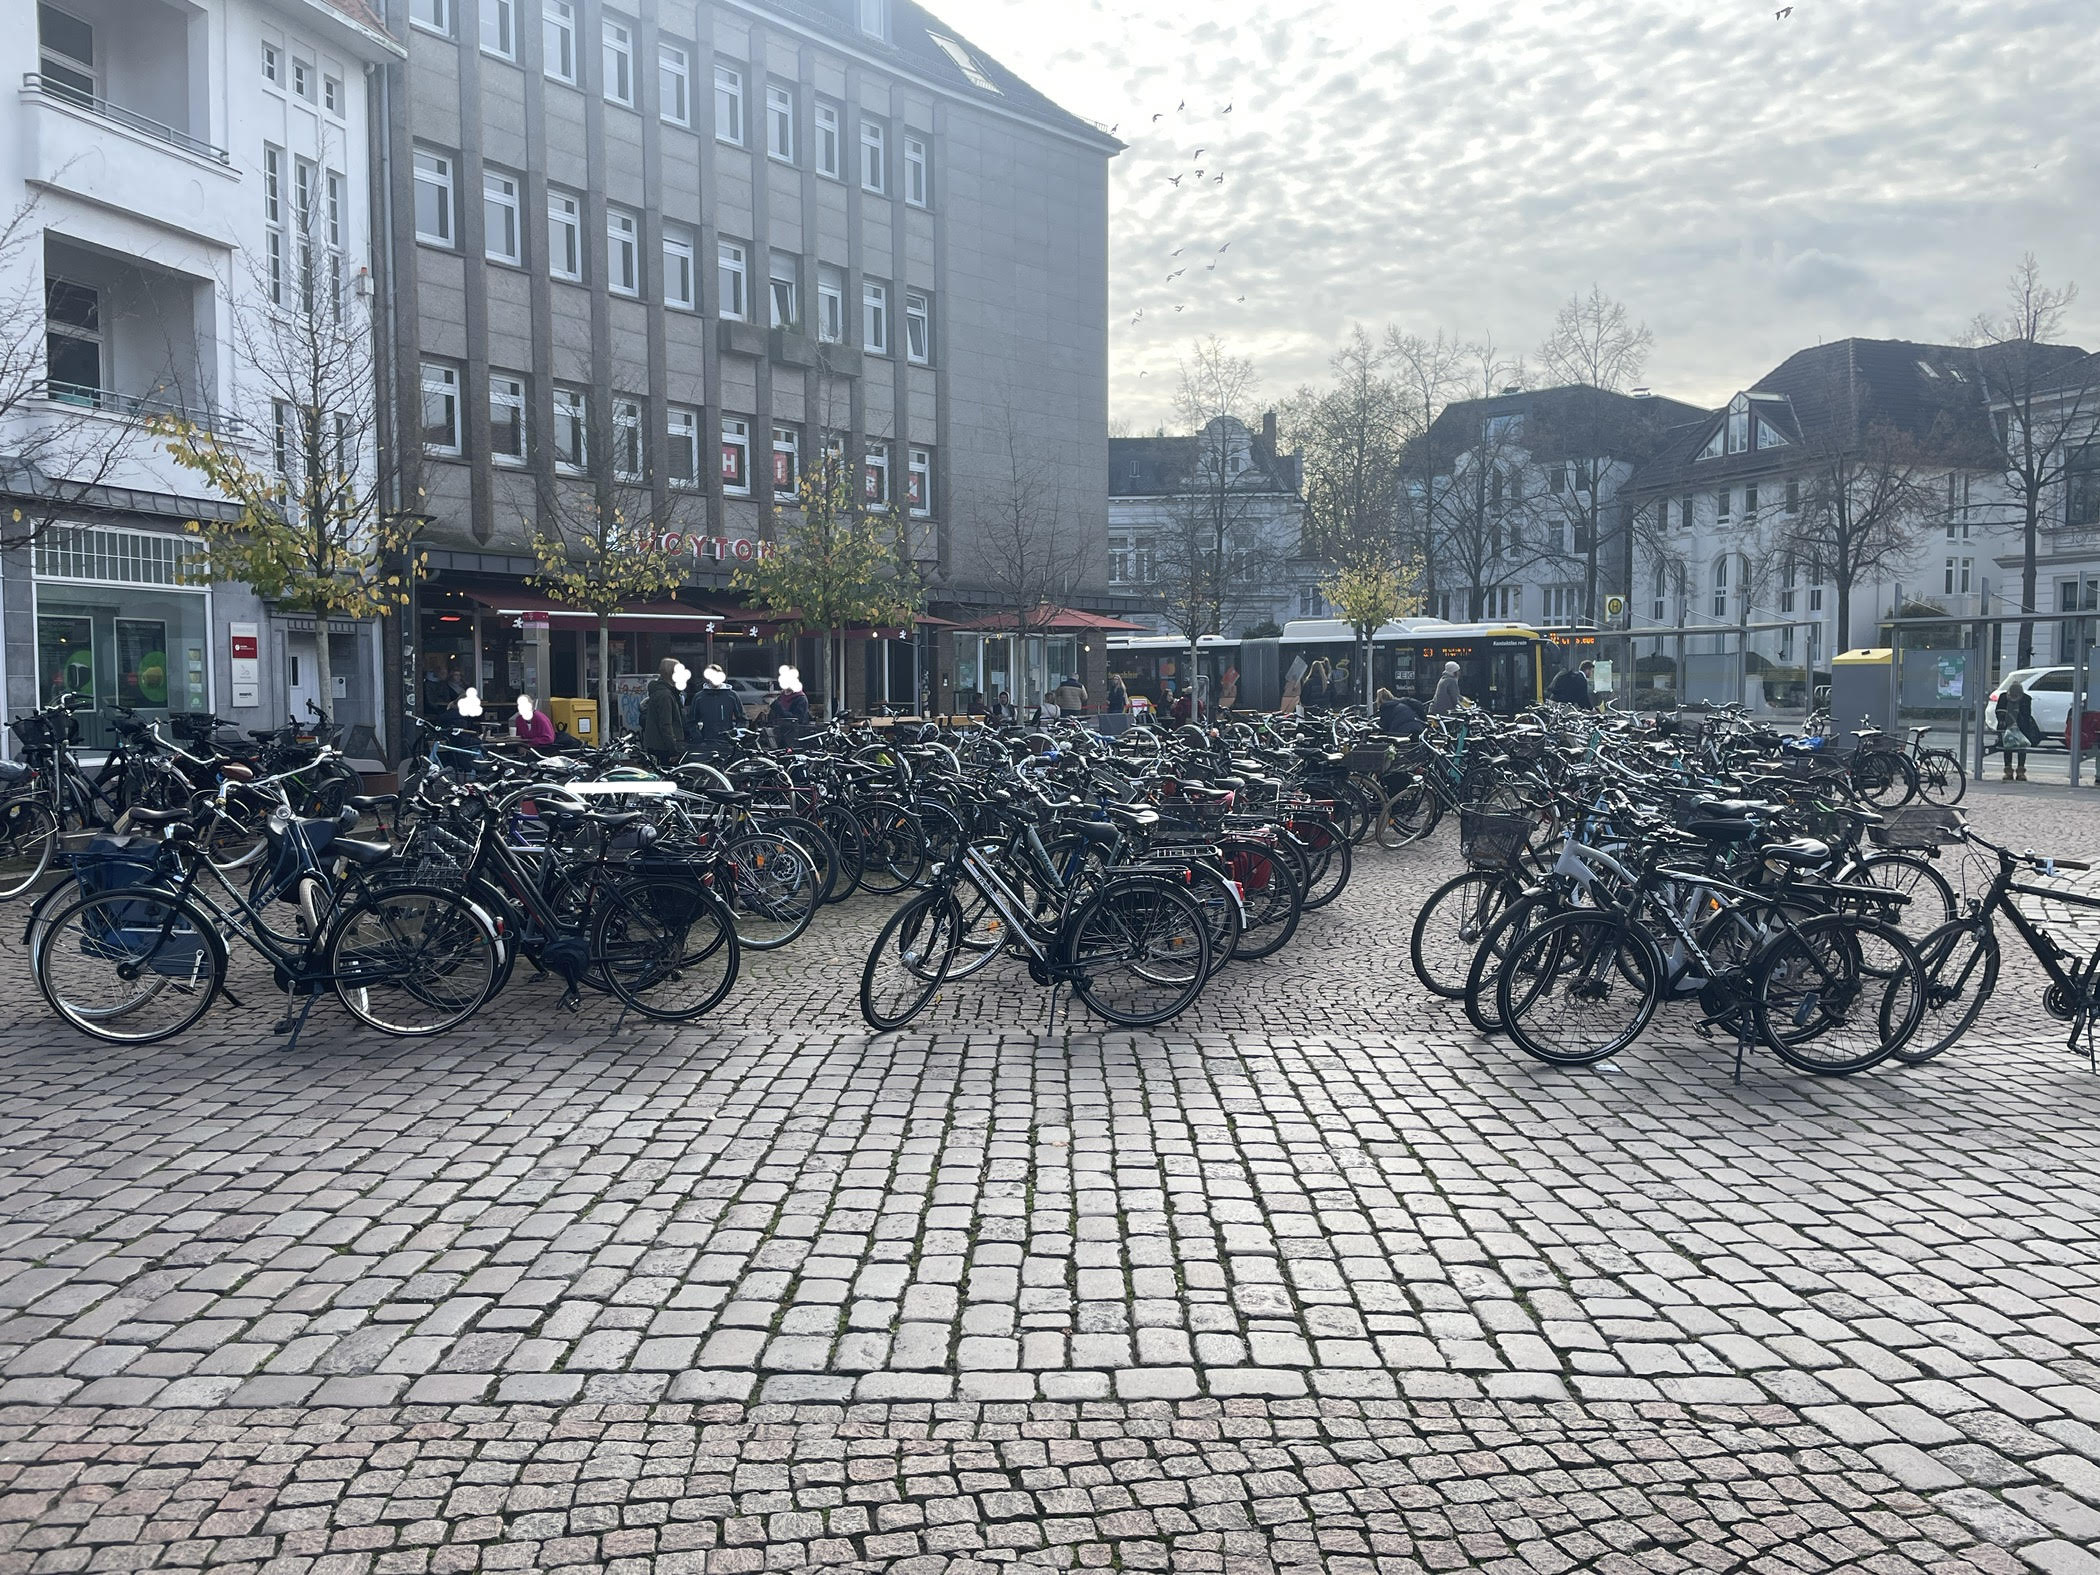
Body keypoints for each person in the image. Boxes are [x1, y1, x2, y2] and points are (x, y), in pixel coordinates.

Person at [642, 658, 689, 764]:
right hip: (664, 748)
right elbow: (666, 725)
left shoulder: (662, 692)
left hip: (657, 745)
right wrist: (674, 750)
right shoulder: (666, 695)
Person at [687, 663, 742, 752]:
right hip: (707, 743)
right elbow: (691, 722)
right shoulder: (699, 697)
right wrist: (699, 739)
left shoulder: (732, 695)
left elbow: (742, 719)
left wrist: (735, 735)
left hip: (728, 743)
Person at [1996, 678, 2039, 782]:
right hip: (2006, 727)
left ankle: (2020, 771)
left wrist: (2017, 720)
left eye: (2016, 696)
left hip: (2021, 727)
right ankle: (2008, 770)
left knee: (2022, 748)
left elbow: (2026, 715)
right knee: (2007, 748)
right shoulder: (2003, 697)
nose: (2014, 698)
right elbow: (1998, 711)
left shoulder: (2026, 699)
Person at [767, 665, 812, 744]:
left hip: (793, 739)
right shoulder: (780, 697)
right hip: (778, 737)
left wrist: (777, 707)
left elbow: (796, 720)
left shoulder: (801, 699)